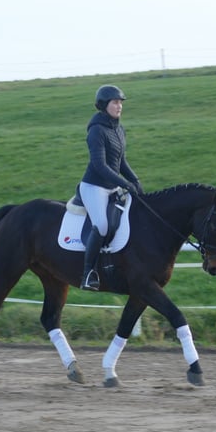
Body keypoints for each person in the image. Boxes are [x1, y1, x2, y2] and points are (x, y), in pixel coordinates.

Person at [79, 84, 143, 291]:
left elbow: (121, 162)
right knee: (102, 225)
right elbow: (100, 165)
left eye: (120, 102)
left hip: (112, 186)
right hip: (94, 187)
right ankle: (88, 273)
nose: (119, 106)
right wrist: (124, 184)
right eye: (115, 102)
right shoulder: (96, 130)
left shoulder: (119, 129)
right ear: (104, 105)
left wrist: (136, 181)